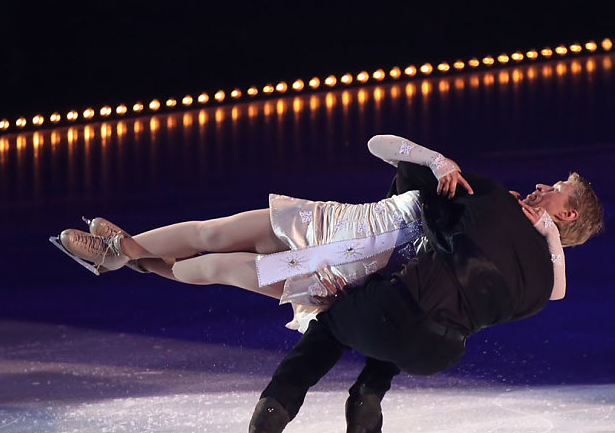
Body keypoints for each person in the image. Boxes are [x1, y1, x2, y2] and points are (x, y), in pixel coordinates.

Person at [246, 136, 603, 433]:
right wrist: (550, 238)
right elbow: (557, 292)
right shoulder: (539, 283)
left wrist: (436, 162)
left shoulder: (494, 198)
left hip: (388, 306)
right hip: (436, 354)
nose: (543, 184)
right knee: (409, 314)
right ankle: (367, 401)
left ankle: (276, 406)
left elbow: (395, 159)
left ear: (567, 213)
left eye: (556, 186)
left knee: (335, 318)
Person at [51, 135, 571, 333]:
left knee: (210, 268)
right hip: (330, 220)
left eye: (559, 193)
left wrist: (548, 240)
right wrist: (434, 158)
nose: (545, 186)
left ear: (565, 218)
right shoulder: (475, 190)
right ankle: (119, 252)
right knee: (212, 231)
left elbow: (555, 290)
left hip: (334, 272)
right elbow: (376, 143)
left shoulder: (495, 250)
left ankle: (125, 258)